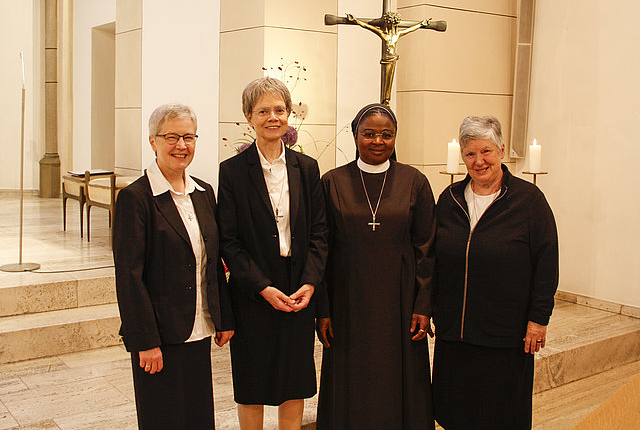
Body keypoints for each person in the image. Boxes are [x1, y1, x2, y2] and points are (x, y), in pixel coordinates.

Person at [431, 116, 559, 429]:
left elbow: (546, 263)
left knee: (500, 416)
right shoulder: (449, 200)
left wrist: (539, 319)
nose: (479, 161)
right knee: (456, 413)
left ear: (501, 150)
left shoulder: (529, 201)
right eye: (470, 154)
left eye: (486, 151)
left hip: (505, 336)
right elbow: (432, 259)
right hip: (455, 334)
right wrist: (431, 308)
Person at [113, 103, 235, 430]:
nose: (181, 145)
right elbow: (129, 277)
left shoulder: (203, 192)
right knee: (163, 419)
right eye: (171, 137)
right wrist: (145, 341)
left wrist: (222, 317)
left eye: (188, 137)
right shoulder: (136, 198)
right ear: (153, 141)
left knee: (197, 417)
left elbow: (213, 262)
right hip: (160, 336)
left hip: (198, 328)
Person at [316, 103, 436, 430]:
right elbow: (321, 250)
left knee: (398, 379)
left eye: (387, 134)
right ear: (355, 135)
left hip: (401, 302)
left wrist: (423, 305)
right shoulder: (332, 182)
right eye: (369, 134)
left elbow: (427, 249)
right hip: (347, 302)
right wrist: (323, 309)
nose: (378, 141)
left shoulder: (414, 181)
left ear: (396, 137)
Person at [217, 77, 328, 430]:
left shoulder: (307, 168)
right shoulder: (232, 171)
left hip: (297, 289)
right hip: (253, 292)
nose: (273, 117)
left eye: (279, 110)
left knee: (294, 379)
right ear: (249, 117)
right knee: (252, 381)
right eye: (263, 111)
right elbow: (229, 241)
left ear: (289, 114)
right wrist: (262, 287)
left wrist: (310, 281)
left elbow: (320, 233)